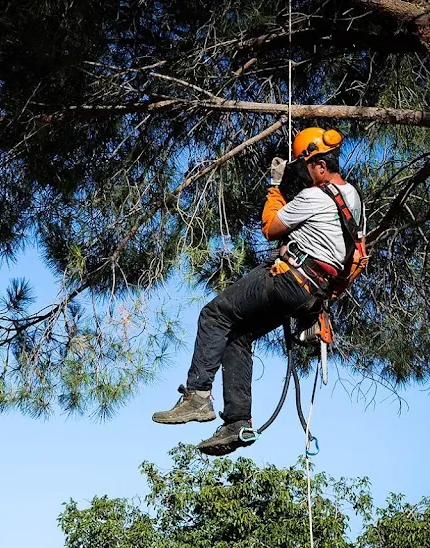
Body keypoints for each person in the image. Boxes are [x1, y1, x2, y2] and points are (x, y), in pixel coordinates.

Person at [152, 127, 365, 455]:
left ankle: (197, 396)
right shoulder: (353, 199)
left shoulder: (312, 197)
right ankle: (238, 422)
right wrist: (322, 302)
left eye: (305, 168)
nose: (304, 176)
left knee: (215, 313)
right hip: (313, 292)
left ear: (320, 166)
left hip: (288, 279)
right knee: (238, 335)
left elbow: (270, 227)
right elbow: (355, 254)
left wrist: (275, 185)